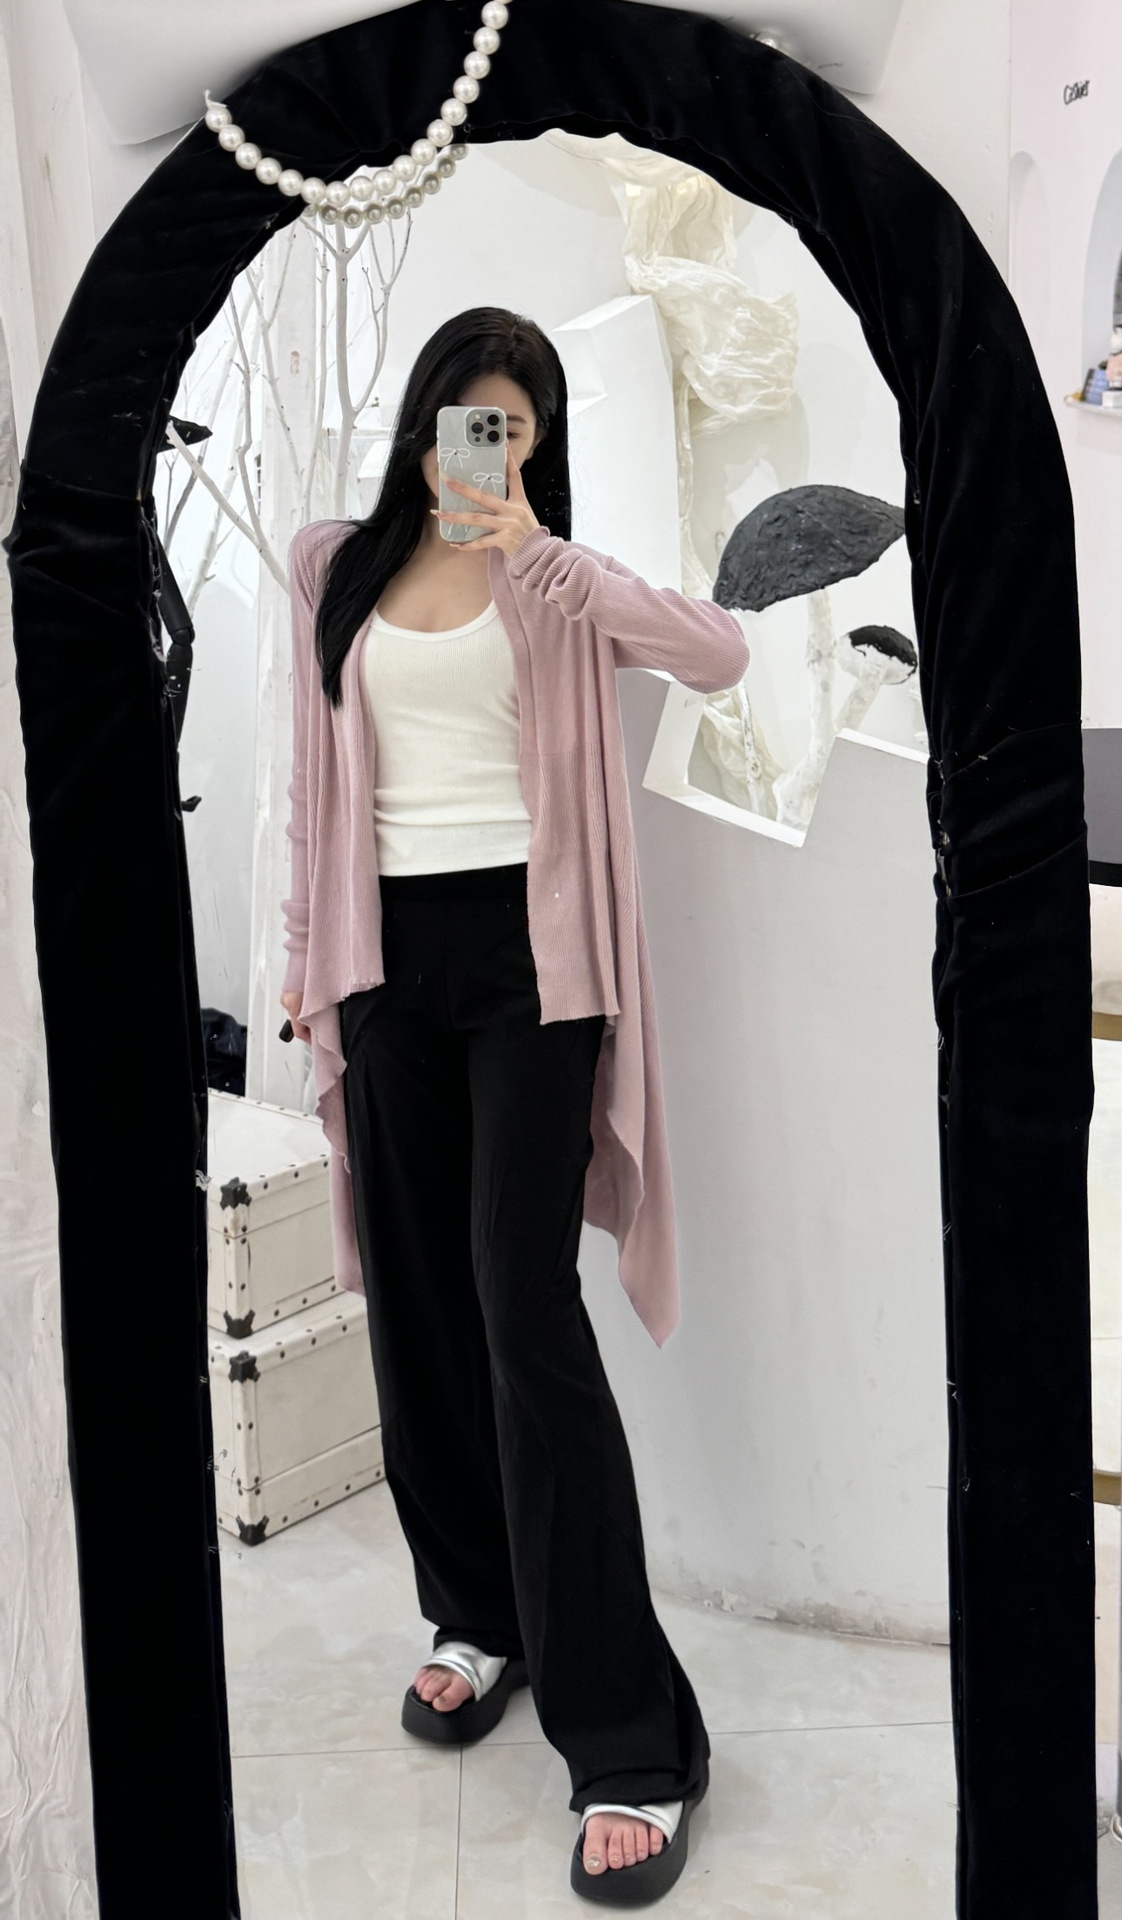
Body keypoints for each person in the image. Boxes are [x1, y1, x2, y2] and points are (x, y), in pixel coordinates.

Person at [278, 306, 749, 1905]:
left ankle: (629, 1738)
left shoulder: (555, 583)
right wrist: (306, 970)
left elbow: (716, 654)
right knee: (417, 1306)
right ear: (420, 424)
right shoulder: (331, 565)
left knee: (520, 1312)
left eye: (515, 425)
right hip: (381, 963)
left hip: (533, 970)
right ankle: (476, 1613)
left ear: (539, 444)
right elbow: (310, 790)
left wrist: (541, 549)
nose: (484, 448)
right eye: (465, 420)